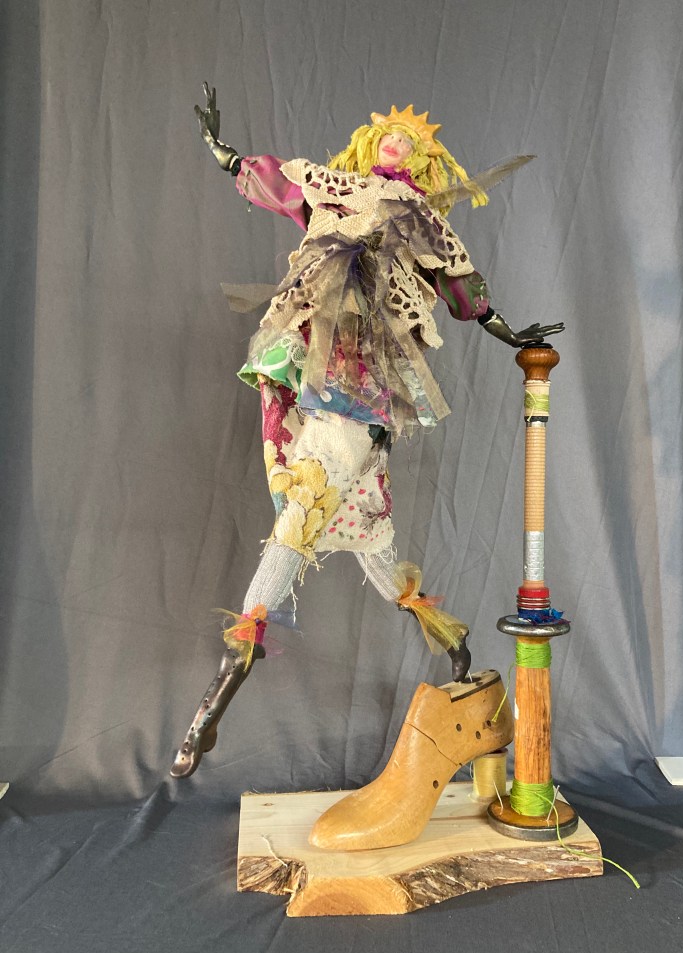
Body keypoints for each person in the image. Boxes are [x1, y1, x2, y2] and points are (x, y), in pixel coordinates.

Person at [170, 86, 563, 778]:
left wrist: (512, 333)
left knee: (306, 521)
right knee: (369, 543)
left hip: (360, 385)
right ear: (368, 143)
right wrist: (224, 152)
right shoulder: (337, 192)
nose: (397, 142)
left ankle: (216, 700)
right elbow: (281, 185)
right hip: (317, 370)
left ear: (424, 161)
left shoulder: (419, 218)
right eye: (389, 135)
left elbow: (463, 288)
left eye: (412, 142)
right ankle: (456, 648)